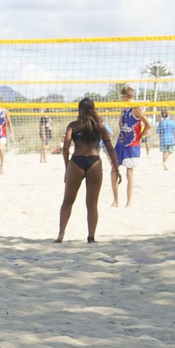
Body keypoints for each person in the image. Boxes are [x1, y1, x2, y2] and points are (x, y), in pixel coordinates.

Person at [56, 98, 118, 243]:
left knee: (68, 201)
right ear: (93, 109)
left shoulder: (73, 125)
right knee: (92, 204)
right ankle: (91, 237)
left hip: (76, 162)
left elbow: (65, 148)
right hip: (94, 162)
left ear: (79, 110)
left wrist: (67, 166)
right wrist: (116, 168)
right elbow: (110, 149)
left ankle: (61, 234)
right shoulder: (100, 127)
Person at [112, 85, 147, 207]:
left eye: (121, 96)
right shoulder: (124, 107)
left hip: (132, 144)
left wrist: (139, 137)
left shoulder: (135, 108)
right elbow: (120, 122)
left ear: (124, 97)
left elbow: (148, 124)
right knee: (114, 169)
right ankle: (116, 201)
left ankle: (128, 202)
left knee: (129, 173)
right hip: (122, 142)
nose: (120, 98)